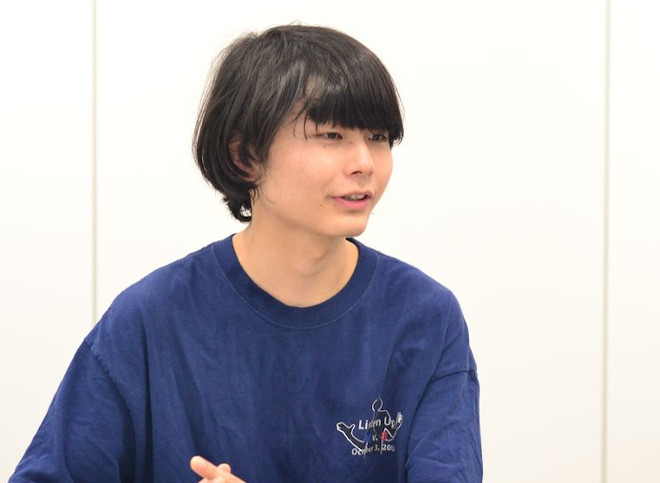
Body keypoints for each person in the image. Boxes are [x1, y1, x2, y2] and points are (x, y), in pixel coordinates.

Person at [10, 25, 482, 483]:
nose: (364, 163)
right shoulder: (148, 320)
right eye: (331, 135)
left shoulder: (425, 318)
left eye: (378, 138)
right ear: (246, 156)